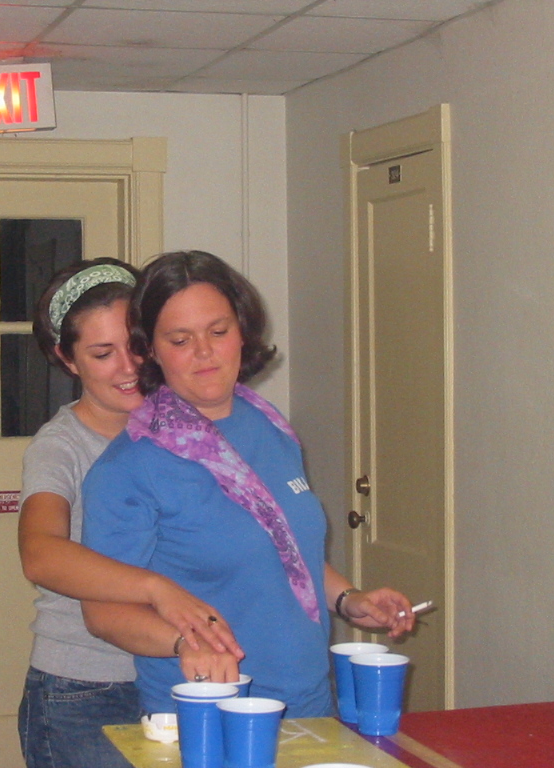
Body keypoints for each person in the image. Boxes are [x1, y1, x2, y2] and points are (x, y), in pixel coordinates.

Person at [80, 250, 416, 718]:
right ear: (150, 349)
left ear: (242, 330)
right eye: (180, 340)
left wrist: (349, 599)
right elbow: (103, 613)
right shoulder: (130, 467)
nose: (204, 352)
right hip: (209, 712)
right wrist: (183, 642)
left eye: (218, 332)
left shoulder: (269, 426)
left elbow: (285, 551)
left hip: (309, 701)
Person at [17, 257, 242, 768]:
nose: (128, 367)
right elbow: (40, 554)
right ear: (67, 359)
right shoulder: (62, 447)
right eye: (102, 353)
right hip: (87, 689)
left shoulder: (187, 426)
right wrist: (156, 589)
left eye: (135, 345)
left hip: (177, 677)